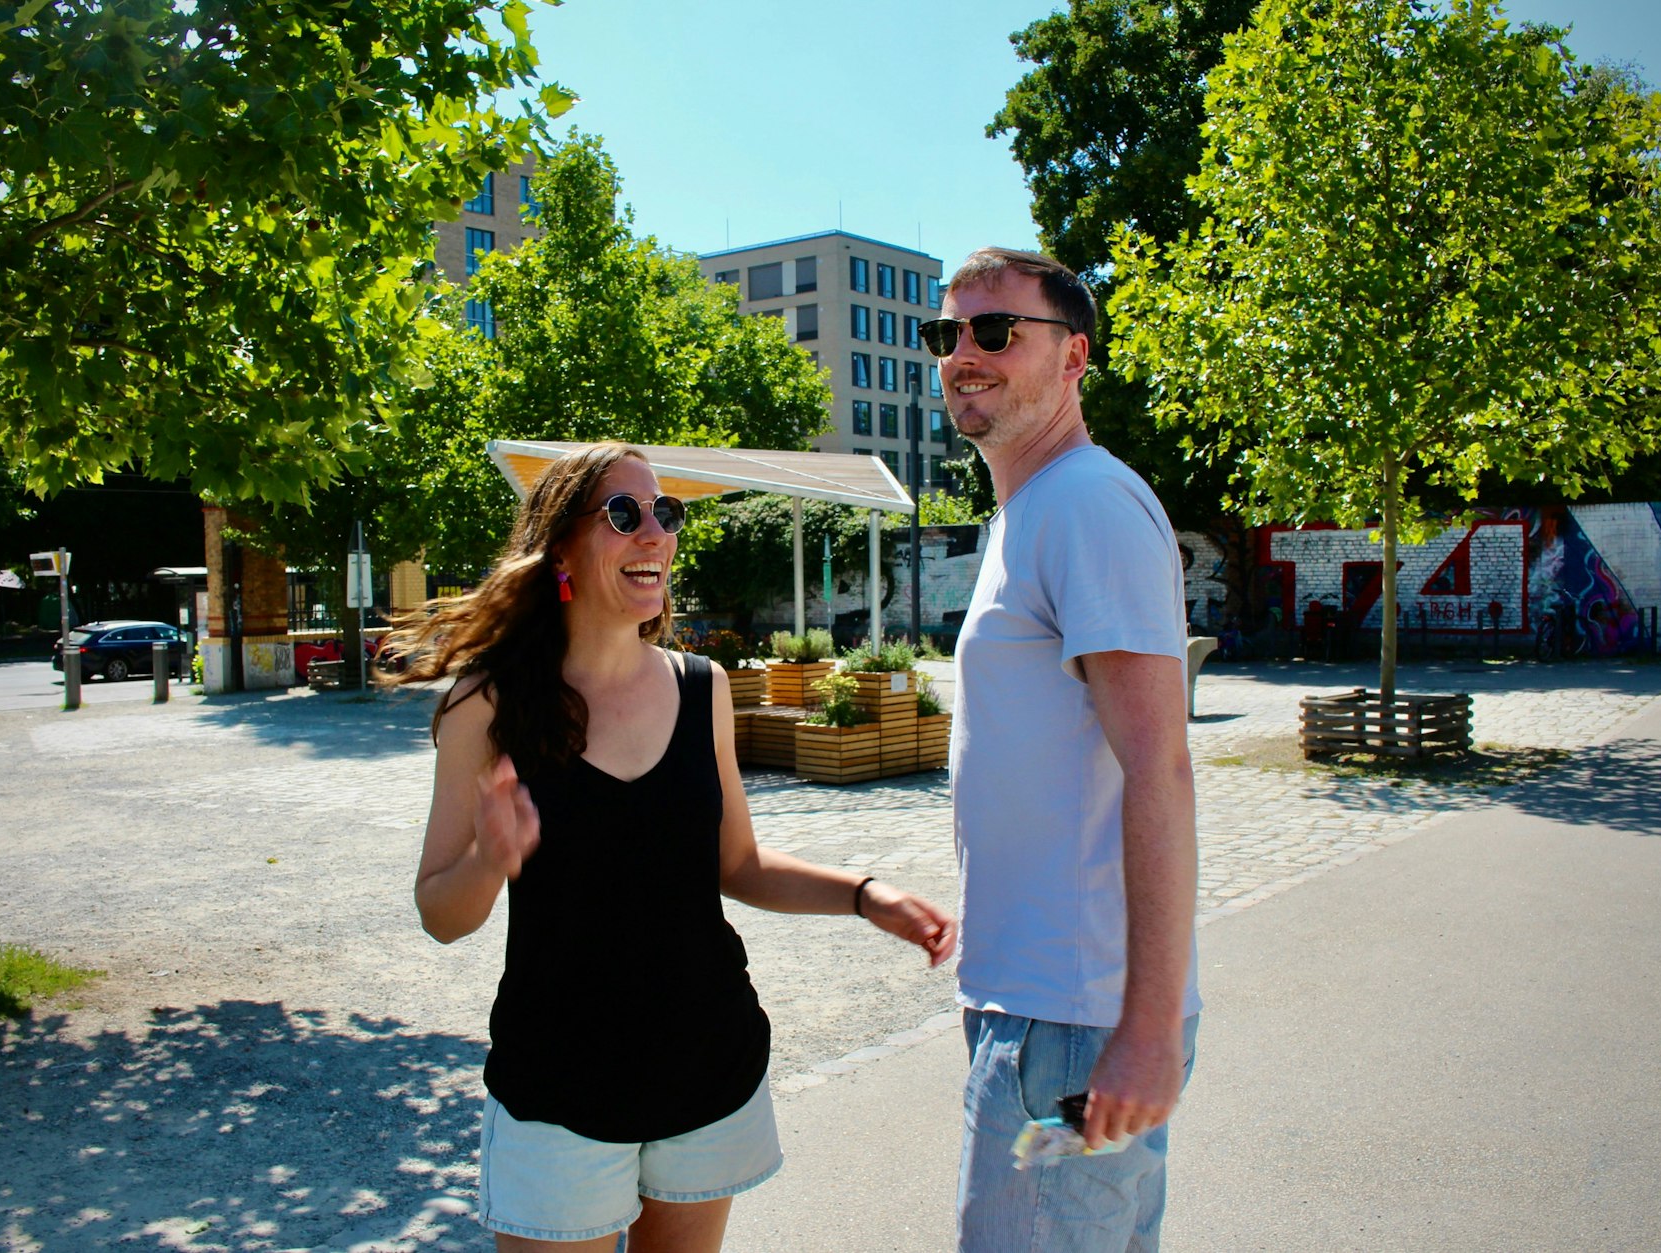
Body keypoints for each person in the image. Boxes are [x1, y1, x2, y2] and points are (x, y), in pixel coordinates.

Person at [383, 442, 957, 1253]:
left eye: (667, 513)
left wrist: (865, 894)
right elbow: (440, 913)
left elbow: (738, 865)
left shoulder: (703, 686)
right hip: (559, 1088)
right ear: (563, 547)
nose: (655, 532)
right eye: (625, 513)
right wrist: (489, 857)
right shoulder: (486, 703)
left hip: (705, 1069)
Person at [918, 249, 1201, 1251]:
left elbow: (1159, 767)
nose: (962, 354)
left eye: (994, 331)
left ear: (1073, 355)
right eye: (944, 334)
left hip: (1072, 1024)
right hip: (1046, 1006)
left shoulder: (1080, 502)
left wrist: (1146, 1029)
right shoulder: (1028, 510)